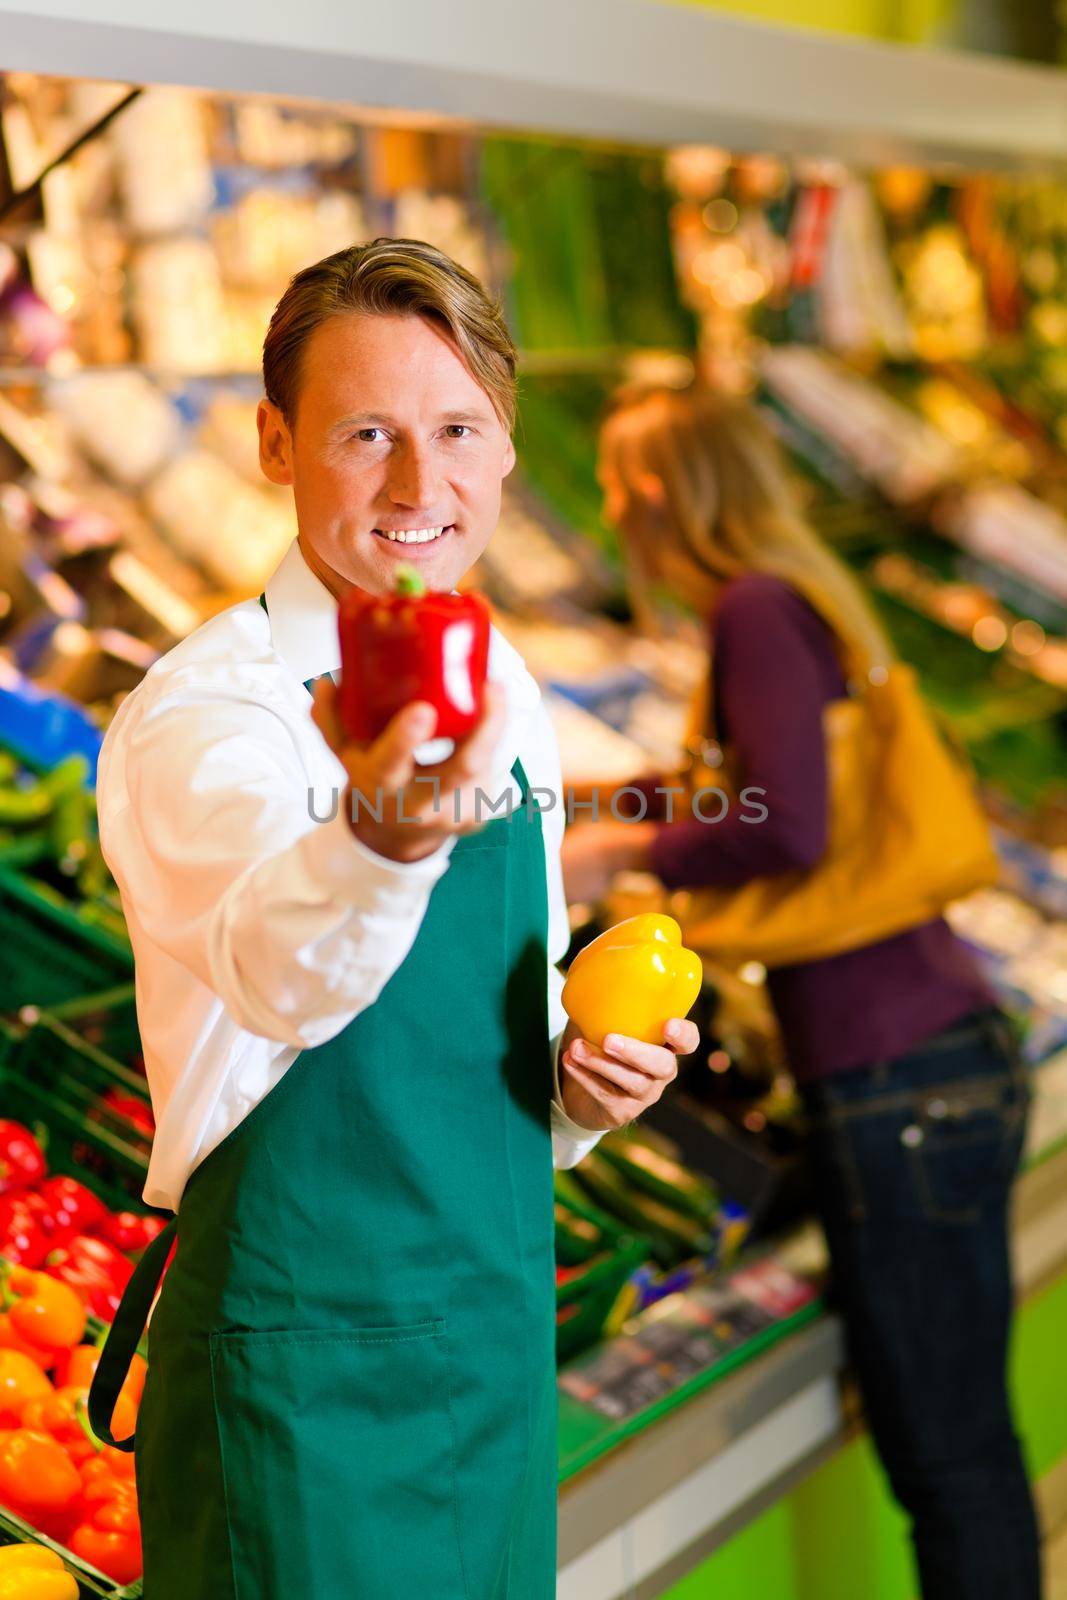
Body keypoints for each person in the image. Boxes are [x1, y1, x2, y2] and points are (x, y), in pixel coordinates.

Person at [86, 241, 699, 1600]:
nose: (420, 487)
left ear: (504, 451)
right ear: (273, 443)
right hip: (300, 1388)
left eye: (456, 431)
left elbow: (503, 1059)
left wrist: (586, 1087)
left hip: (484, 1362)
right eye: (367, 434)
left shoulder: (510, 693)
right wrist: (382, 835)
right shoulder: (208, 714)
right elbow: (277, 972)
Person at [562, 383, 1042, 1600]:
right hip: (934, 1052)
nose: (611, 509)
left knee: (948, 1460)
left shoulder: (754, 607)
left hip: (896, 1077)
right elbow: (758, 786)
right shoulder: (797, 586)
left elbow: (780, 820)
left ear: (662, 492)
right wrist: (624, 804)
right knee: (962, 1443)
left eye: (620, 486)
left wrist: (626, 852)